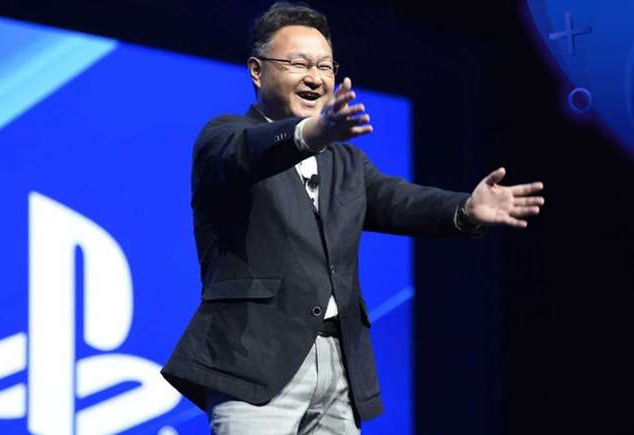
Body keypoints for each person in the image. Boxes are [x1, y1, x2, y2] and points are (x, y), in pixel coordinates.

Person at [161, 2, 544, 434]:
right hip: (255, 363)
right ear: (257, 70)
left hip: (340, 370)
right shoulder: (224, 137)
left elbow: (399, 200)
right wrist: (313, 132)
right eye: (298, 64)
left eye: (325, 66)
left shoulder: (346, 163)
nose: (315, 77)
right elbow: (249, 153)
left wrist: (465, 208)